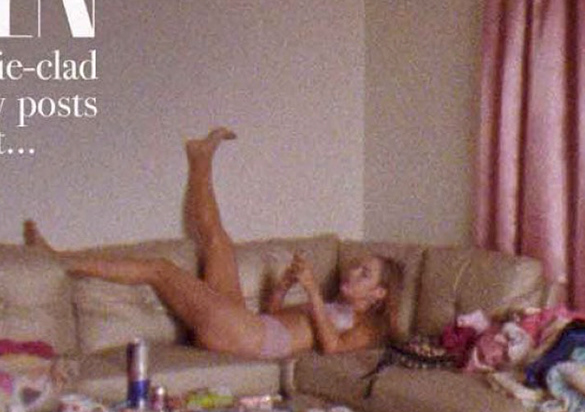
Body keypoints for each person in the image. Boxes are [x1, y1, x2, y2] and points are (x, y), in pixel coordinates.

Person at [24, 128, 402, 359]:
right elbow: (276, 316)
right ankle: (201, 159)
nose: (353, 272)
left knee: (160, 269)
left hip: (247, 341)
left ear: (379, 294)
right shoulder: (336, 306)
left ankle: (59, 259)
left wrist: (313, 292)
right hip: (249, 326)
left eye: (365, 274)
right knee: (218, 242)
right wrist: (285, 287)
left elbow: (332, 348)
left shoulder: (369, 327)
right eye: (357, 266)